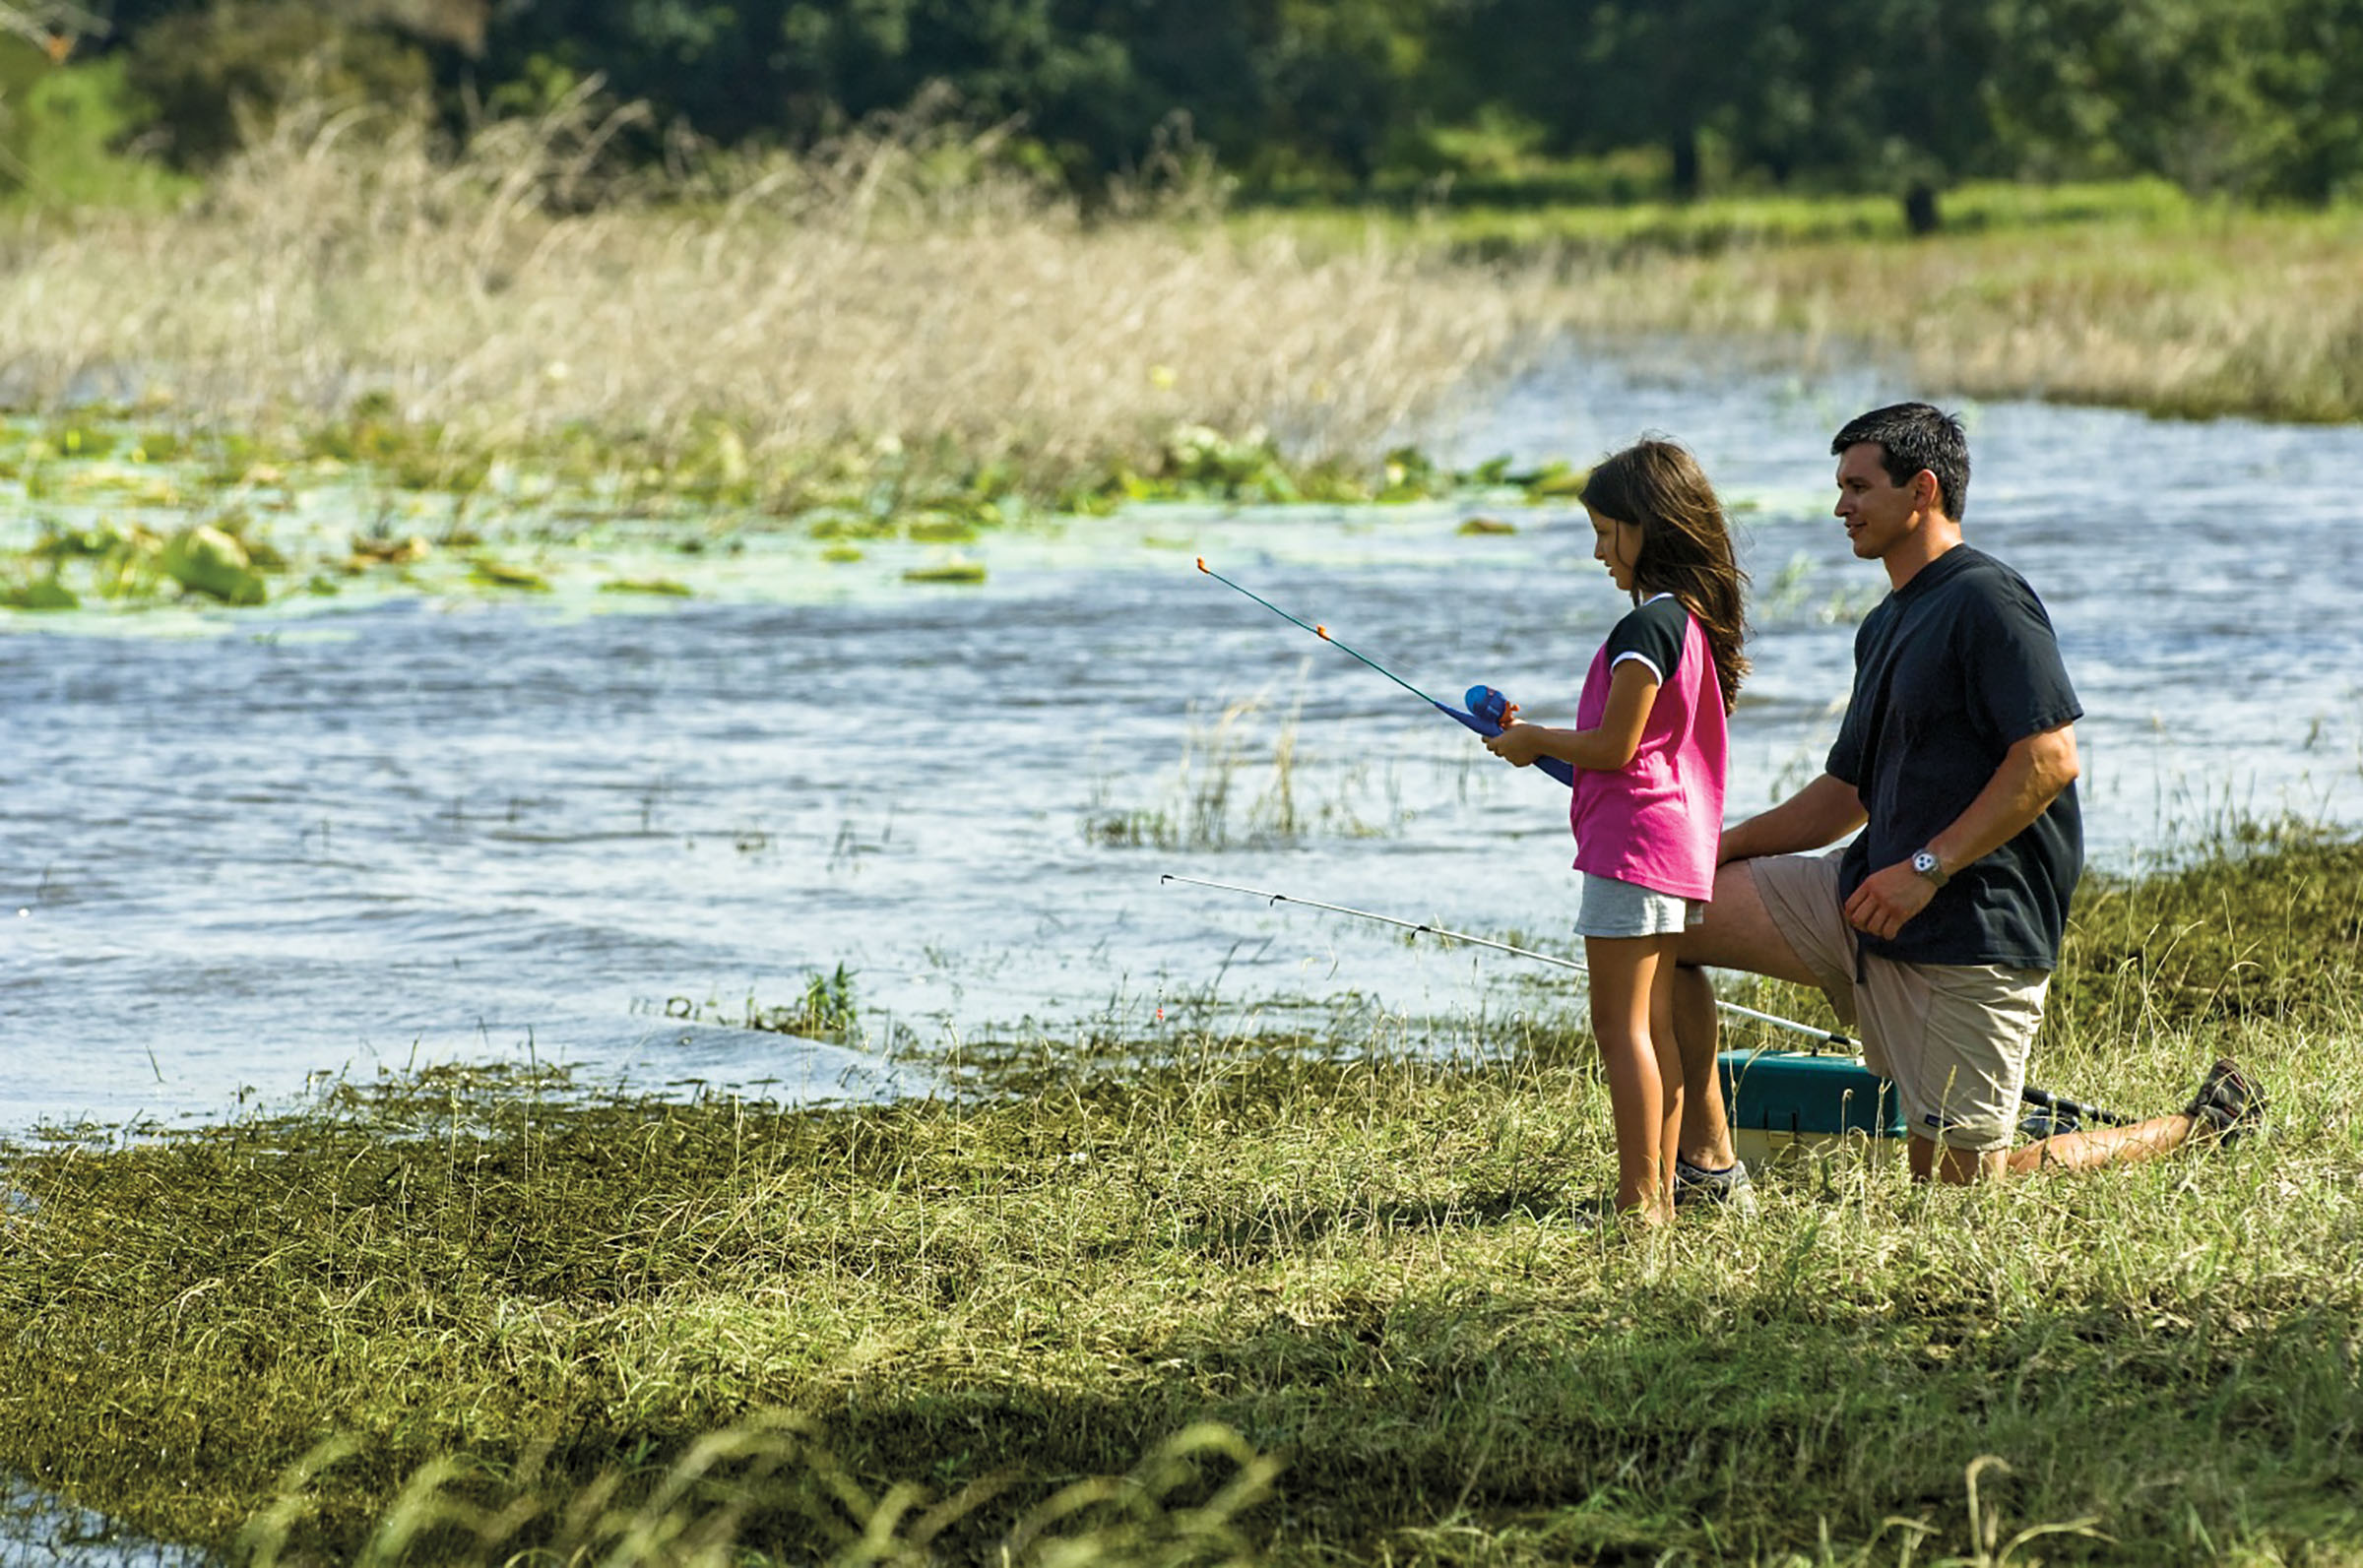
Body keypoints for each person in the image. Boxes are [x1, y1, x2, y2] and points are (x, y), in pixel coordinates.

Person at [1663, 402, 2263, 1196]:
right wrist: (1716, 848)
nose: (1840, 506)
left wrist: (1924, 867)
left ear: (1922, 489)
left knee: (1959, 1193)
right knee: (1661, 917)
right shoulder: (1883, 622)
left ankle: (2196, 1127)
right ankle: (1708, 1170)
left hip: (1968, 932)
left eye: (1857, 486)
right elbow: (1846, 794)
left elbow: (2049, 758)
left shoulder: (1988, 598)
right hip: (1858, 905)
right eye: (1839, 487)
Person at [1484, 439, 1749, 1223]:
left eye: (1607, 533)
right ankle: (1659, 1195)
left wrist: (1539, 740)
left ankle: (1641, 1205)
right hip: (1672, 849)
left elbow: (1613, 749)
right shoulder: (1689, 626)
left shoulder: (1648, 629)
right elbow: (1636, 759)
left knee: (1620, 1025)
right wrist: (1535, 743)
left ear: (1649, 527)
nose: (1600, 552)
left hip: (1633, 853)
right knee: (1654, 1024)